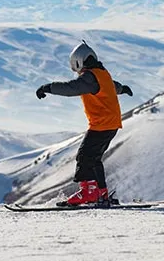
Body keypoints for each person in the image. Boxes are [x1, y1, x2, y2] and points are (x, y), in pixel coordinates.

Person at [36, 41, 133, 206]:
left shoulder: (90, 76)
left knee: (84, 156)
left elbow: (71, 88)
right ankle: (102, 194)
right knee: (94, 159)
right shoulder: (102, 73)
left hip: (101, 124)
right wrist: (122, 88)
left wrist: (47, 87)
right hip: (112, 123)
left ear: (78, 61)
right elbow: (113, 86)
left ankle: (89, 193)